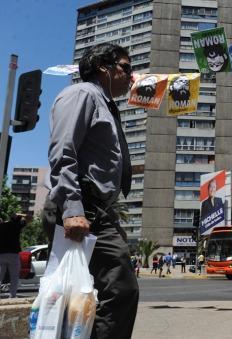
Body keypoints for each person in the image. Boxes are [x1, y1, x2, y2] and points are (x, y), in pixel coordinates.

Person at [47, 43, 138, 338]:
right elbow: (63, 152)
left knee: (89, 294)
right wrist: (73, 210)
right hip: (79, 204)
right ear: (104, 67)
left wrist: (109, 218)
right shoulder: (82, 94)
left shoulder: (105, 105)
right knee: (120, 287)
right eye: (126, 67)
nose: (131, 75)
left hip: (96, 209)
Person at [0, 213, 29, 298]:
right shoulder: (17, 225)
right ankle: (12, 295)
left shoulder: (2, 226)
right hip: (13, 254)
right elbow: (29, 218)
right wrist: (20, 214)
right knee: (14, 277)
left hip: (1, 254)